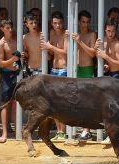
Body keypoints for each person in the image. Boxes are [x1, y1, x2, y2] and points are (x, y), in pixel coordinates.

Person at [40, 11, 68, 140]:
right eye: (55, 23)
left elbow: (65, 53)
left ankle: (64, 131)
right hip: (54, 69)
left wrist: (49, 46)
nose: (58, 25)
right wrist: (47, 49)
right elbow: (51, 52)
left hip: (63, 69)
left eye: (60, 23)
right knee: (54, 103)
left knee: (62, 103)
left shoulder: (65, 34)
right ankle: (59, 131)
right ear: (52, 24)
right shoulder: (51, 33)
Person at [72, 10, 97, 141]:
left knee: (87, 101)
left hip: (87, 69)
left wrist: (80, 42)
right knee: (78, 101)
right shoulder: (74, 34)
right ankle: (82, 128)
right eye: (83, 22)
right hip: (75, 69)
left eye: (87, 22)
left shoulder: (92, 34)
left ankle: (87, 130)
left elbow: (92, 53)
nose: (85, 25)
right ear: (78, 22)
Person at [0, 19, 19, 143]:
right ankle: (4, 132)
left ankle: (17, 132)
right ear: (2, 29)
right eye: (7, 28)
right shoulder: (1, 43)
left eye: (10, 27)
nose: (10, 30)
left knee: (17, 103)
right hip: (6, 75)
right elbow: (1, 63)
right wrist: (13, 59)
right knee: (5, 104)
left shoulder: (17, 39)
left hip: (17, 74)